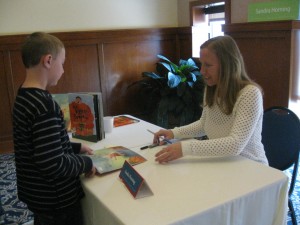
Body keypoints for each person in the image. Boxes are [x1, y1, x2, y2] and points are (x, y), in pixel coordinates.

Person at [12, 32, 96, 225]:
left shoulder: (24, 96)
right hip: (57, 200)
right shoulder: (44, 105)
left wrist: (75, 148)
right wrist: (86, 163)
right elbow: (53, 164)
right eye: (62, 63)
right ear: (48, 60)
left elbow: (39, 146)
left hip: (38, 195)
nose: (63, 70)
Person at [153, 35, 268, 165]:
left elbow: (235, 144)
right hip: (223, 162)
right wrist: (173, 133)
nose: (202, 71)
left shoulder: (250, 94)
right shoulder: (212, 88)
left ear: (227, 66)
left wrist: (185, 148)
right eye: (201, 64)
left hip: (251, 166)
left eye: (208, 65)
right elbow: (204, 124)